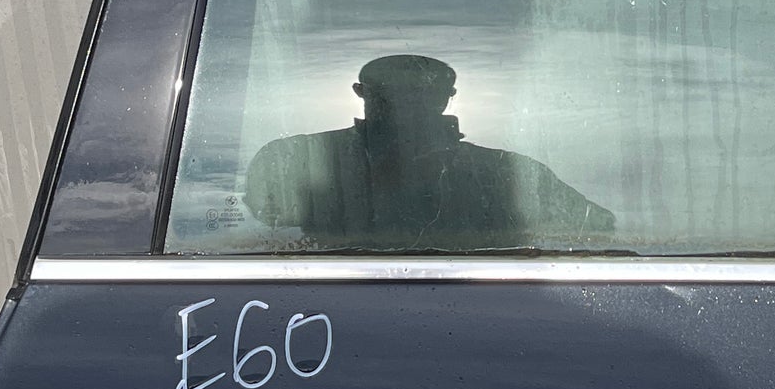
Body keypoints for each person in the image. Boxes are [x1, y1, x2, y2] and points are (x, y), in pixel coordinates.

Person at [244, 51, 615, 248]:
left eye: (417, 93)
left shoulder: (296, 157)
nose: (406, 104)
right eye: (394, 94)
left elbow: (596, 227)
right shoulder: (507, 171)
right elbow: (597, 228)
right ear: (448, 99)